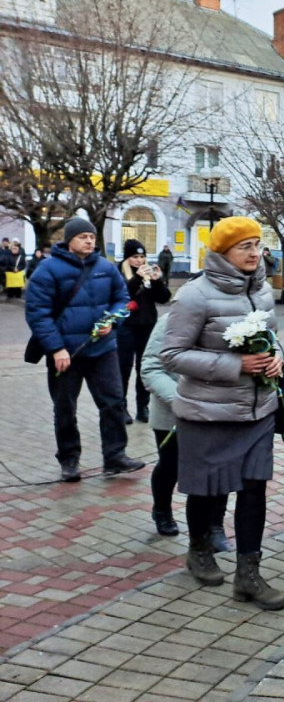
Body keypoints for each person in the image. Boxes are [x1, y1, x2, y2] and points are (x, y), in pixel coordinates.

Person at [161, 216, 284, 610]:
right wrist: (237, 366)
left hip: (258, 410)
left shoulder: (264, 292)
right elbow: (172, 355)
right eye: (243, 246)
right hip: (208, 413)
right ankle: (199, 549)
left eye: (256, 244)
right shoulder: (194, 295)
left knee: (254, 489)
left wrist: (275, 360)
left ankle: (248, 574)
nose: (253, 253)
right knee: (206, 489)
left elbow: (273, 339)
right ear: (221, 251)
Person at [25, 218, 145, 481]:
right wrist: (56, 349)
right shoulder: (47, 270)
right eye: (82, 237)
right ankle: (69, 460)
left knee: (114, 402)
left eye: (91, 237)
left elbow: (122, 299)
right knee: (65, 408)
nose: (89, 241)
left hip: (103, 350)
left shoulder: (105, 267)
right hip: (67, 353)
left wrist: (112, 320)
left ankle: (115, 457)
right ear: (69, 240)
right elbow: (37, 314)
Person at [141, 313, 231, 549]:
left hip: (217, 411)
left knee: (218, 468)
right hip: (174, 412)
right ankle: (161, 510)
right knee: (170, 465)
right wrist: (182, 400)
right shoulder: (171, 321)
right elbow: (151, 368)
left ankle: (214, 526)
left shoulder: (230, 317)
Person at [116, 239, 171, 424]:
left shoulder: (150, 272)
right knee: (123, 368)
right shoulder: (119, 272)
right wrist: (137, 278)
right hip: (125, 326)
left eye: (142, 257)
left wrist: (157, 282)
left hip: (146, 325)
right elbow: (122, 294)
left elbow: (164, 298)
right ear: (127, 258)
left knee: (144, 367)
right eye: (135, 257)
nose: (139, 261)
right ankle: (121, 406)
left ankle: (142, 406)